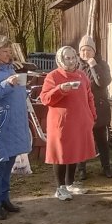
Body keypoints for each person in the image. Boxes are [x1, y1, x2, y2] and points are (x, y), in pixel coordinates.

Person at [0, 35, 32, 220]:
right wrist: (7, 83)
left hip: (14, 123)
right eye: (4, 51)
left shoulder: (12, 68)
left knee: (9, 162)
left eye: (9, 50)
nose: (8, 53)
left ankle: (5, 198)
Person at [40, 46, 97, 200]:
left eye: (73, 58)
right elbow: (45, 99)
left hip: (80, 121)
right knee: (61, 154)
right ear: (60, 59)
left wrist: (92, 115)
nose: (71, 61)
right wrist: (59, 89)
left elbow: (89, 96)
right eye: (67, 58)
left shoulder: (81, 75)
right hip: (61, 123)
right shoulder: (53, 76)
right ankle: (60, 188)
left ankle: (70, 183)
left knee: (75, 151)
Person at [76, 35, 112, 180]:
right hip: (82, 109)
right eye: (83, 50)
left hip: (99, 108)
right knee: (83, 140)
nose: (85, 53)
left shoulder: (102, 65)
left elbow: (102, 83)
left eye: (88, 50)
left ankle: (106, 167)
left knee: (101, 140)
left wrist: (94, 66)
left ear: (94, 51)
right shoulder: (77, 66)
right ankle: (81, 169)